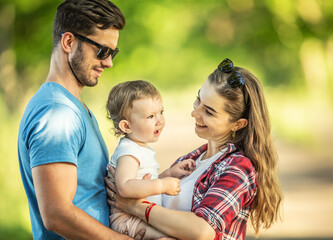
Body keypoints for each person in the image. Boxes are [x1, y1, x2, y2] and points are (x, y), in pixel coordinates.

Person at [106, 58, 283, 239]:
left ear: (238, 124)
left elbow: (201, 231)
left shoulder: (238, 168)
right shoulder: (192, 159)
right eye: (198, 99)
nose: (194, 113)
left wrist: (135, 207)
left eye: (209, 111)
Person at [16, 0, 136, 239]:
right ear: (69, 42)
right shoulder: (56, 114)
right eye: (102, 50)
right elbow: (56, 213)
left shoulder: (71, 107)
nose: (109, 62)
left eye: (113, 52)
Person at [105, 80, 196, 239]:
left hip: (138, 215)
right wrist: (161, 185)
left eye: (161, 112)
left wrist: (170, 173)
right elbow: (125, 187)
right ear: (126, 126)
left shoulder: (139, 148)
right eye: (151, 116)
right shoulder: (129, 151)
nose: (159, 120)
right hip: (127, 220)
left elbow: (143, 183)